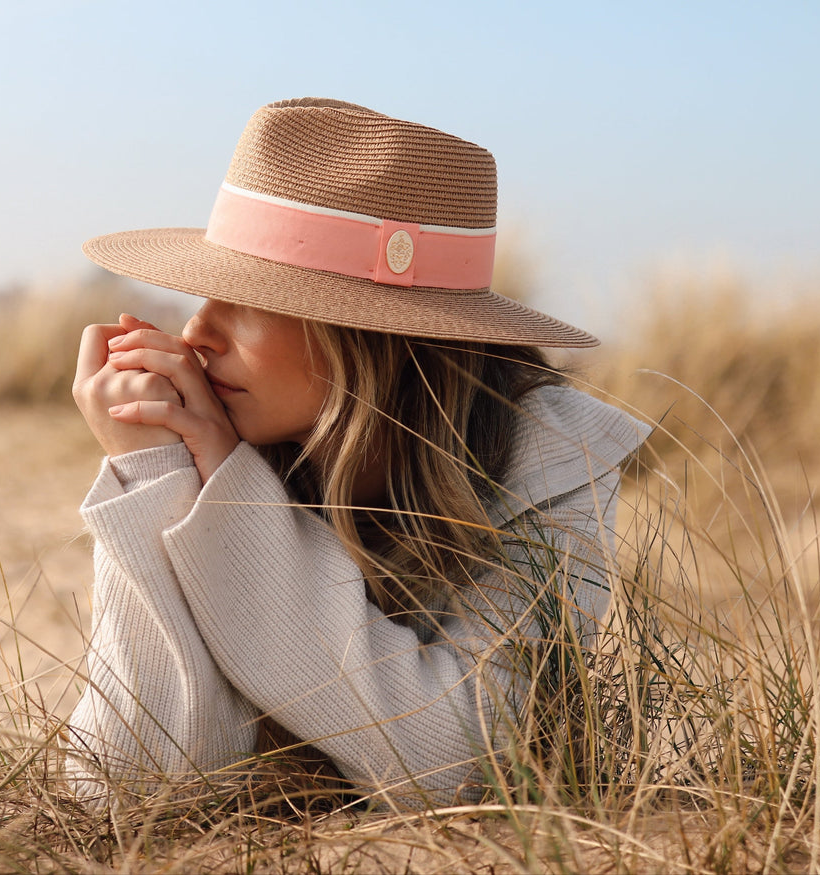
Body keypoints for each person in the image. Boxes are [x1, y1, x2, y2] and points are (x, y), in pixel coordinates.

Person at [64, 98, 650, 810]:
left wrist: (231, 493)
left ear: (366, 332)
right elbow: (128, 787)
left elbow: (459, 765)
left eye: (245, 299)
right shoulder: (235, 437)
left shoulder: (553, 458)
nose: (195, 331)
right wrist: (156, 470)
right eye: (204, 293)